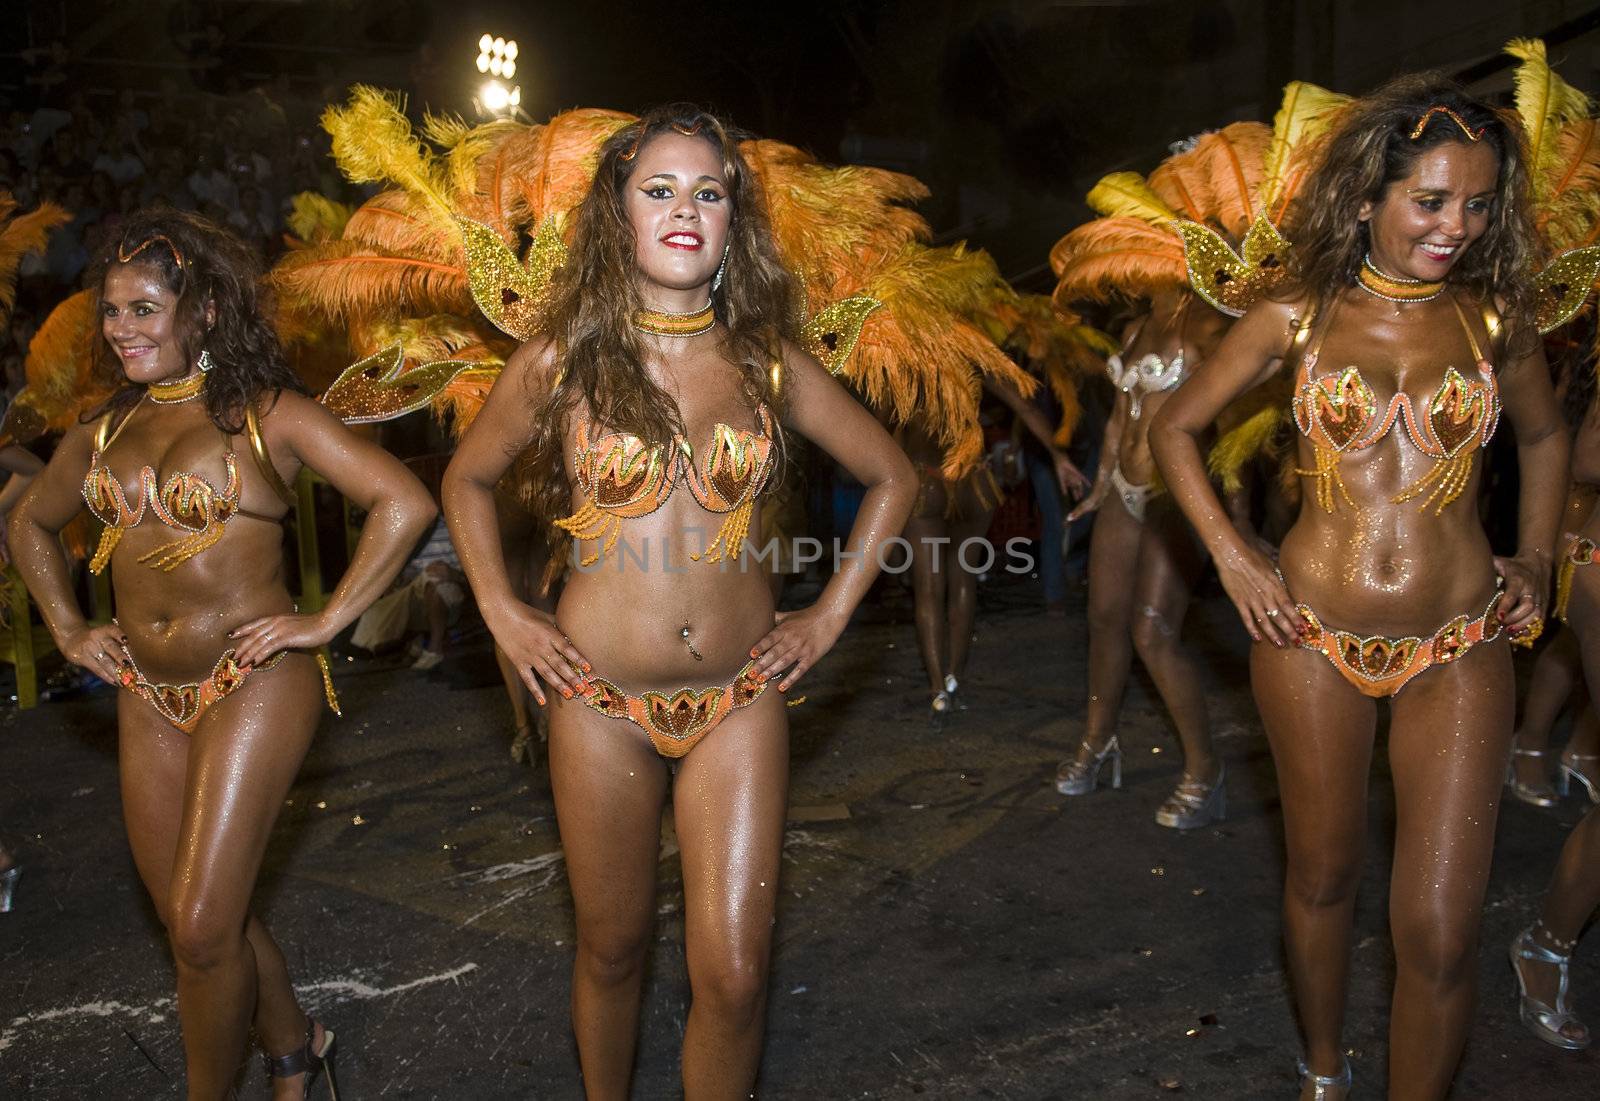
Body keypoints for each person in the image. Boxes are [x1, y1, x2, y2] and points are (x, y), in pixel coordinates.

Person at [442, 106, 916, 1099]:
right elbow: (466, 481)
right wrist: (500, 608)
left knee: (735, 977)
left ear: (734, 222)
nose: (685, 208)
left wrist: (828, 616)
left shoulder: (765, 363)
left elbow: (892, 477)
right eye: (658, 188)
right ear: (618, 214)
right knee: (611, 953)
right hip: (597, 701)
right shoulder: (561, 360)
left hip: (739, 700)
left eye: (709, 190)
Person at [1150, 78, 1565, 1100]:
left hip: (1460, 640)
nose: (1454, 226)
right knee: (1325, 879)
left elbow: (1548, 435)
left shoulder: (1491, 322)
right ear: (1367, 198)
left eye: (1476, 204)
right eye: (1429, 200)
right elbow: (1173, 430)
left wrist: (1538, 558)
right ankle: (1324, 1070)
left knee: (1439, 928)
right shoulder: (1295, 315)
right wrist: (1236, 560)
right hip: (1310, 639)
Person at [8, 208, 435, 1099]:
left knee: (202, 926)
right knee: (197, 915)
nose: (124, 328)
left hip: (255, 681)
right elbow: (32, 522)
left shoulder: (265, 414)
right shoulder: (103, 432)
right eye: (113, 311)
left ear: (203, 310)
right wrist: (68, 628)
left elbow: (403, 500)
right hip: (146, 695)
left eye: (146, 307)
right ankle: (295, 1047)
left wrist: (325, 621)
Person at [1056, 287, 1233, 828]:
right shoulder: (1135, 329)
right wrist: (1099, 488)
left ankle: (1205, 772)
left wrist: (1238, 518)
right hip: (1123, 489)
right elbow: (1117, 421)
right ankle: (1099, 742)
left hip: (1174, 496)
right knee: (1104, 618)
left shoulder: (1206, 323)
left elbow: (1235, 421)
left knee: (1152, 631)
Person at [903, 376, 1085, 716]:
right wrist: (1058, 456)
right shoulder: (973, 355)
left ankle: (937, 687)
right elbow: (1025, 406)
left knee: (929, 588)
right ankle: (955, 676)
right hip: (975, 481)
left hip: (926, 480)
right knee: (964, 581)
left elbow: (882, 427)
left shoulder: (901, 358)